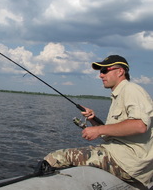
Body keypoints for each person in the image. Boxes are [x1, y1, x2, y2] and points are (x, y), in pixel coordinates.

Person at [43, 55, 153, 189]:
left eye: (105, 70)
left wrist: (98, 130)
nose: (101, 75)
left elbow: (140, 125)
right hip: (121, 158)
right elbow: (114, 132)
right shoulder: (119, 95)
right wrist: (93, 120)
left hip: (125, 162)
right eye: (100, 71)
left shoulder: (131, 90)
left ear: (120, 71)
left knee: (54, 158)